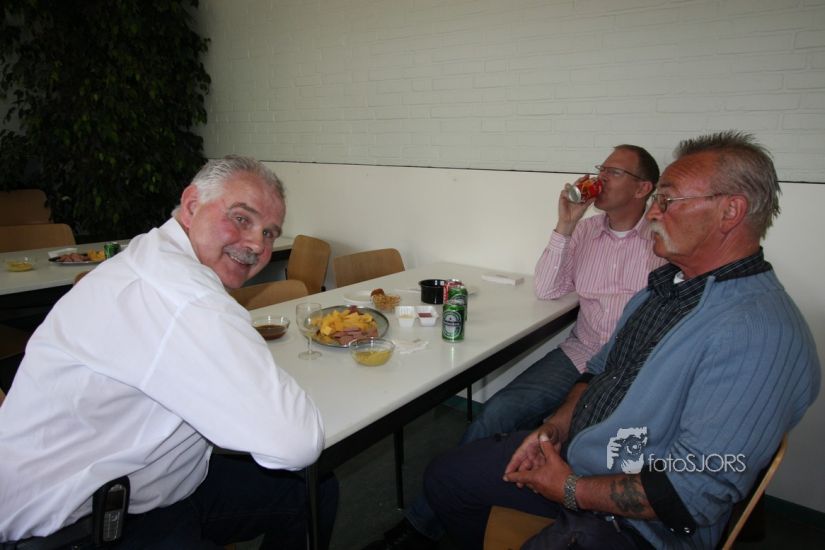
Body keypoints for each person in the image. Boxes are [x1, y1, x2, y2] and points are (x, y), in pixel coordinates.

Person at [423, 131, 821, 549]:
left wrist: (571, 489)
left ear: (730, 211)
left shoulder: (758, 332)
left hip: (638, 526)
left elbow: (693, 492)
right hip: (580, 458)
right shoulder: (663, 288)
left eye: (668, 200)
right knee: (446, 476)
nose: (654, 213)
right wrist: (555, 428)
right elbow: (597, 371)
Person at [0, 156, 338, 549]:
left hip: (160, 479)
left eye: (268, 233)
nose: (256, 244)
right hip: (76, 522)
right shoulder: (181, 294)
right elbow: (294, 441)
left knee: (313, 490)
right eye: (241, 218)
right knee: (306, 476)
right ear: (192, 206)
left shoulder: (157, 255)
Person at [366, 145, 664, 549]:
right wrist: (565, 225)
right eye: (601, 169)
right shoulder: (587, 231)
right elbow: (548, 288)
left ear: (643, 188)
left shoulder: (662, 238)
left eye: (613, 172)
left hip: (627, 370)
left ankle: (468, 514)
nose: (600, 179)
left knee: (581, 440)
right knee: (498, 411)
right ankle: (428, 521)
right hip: (581, 352)